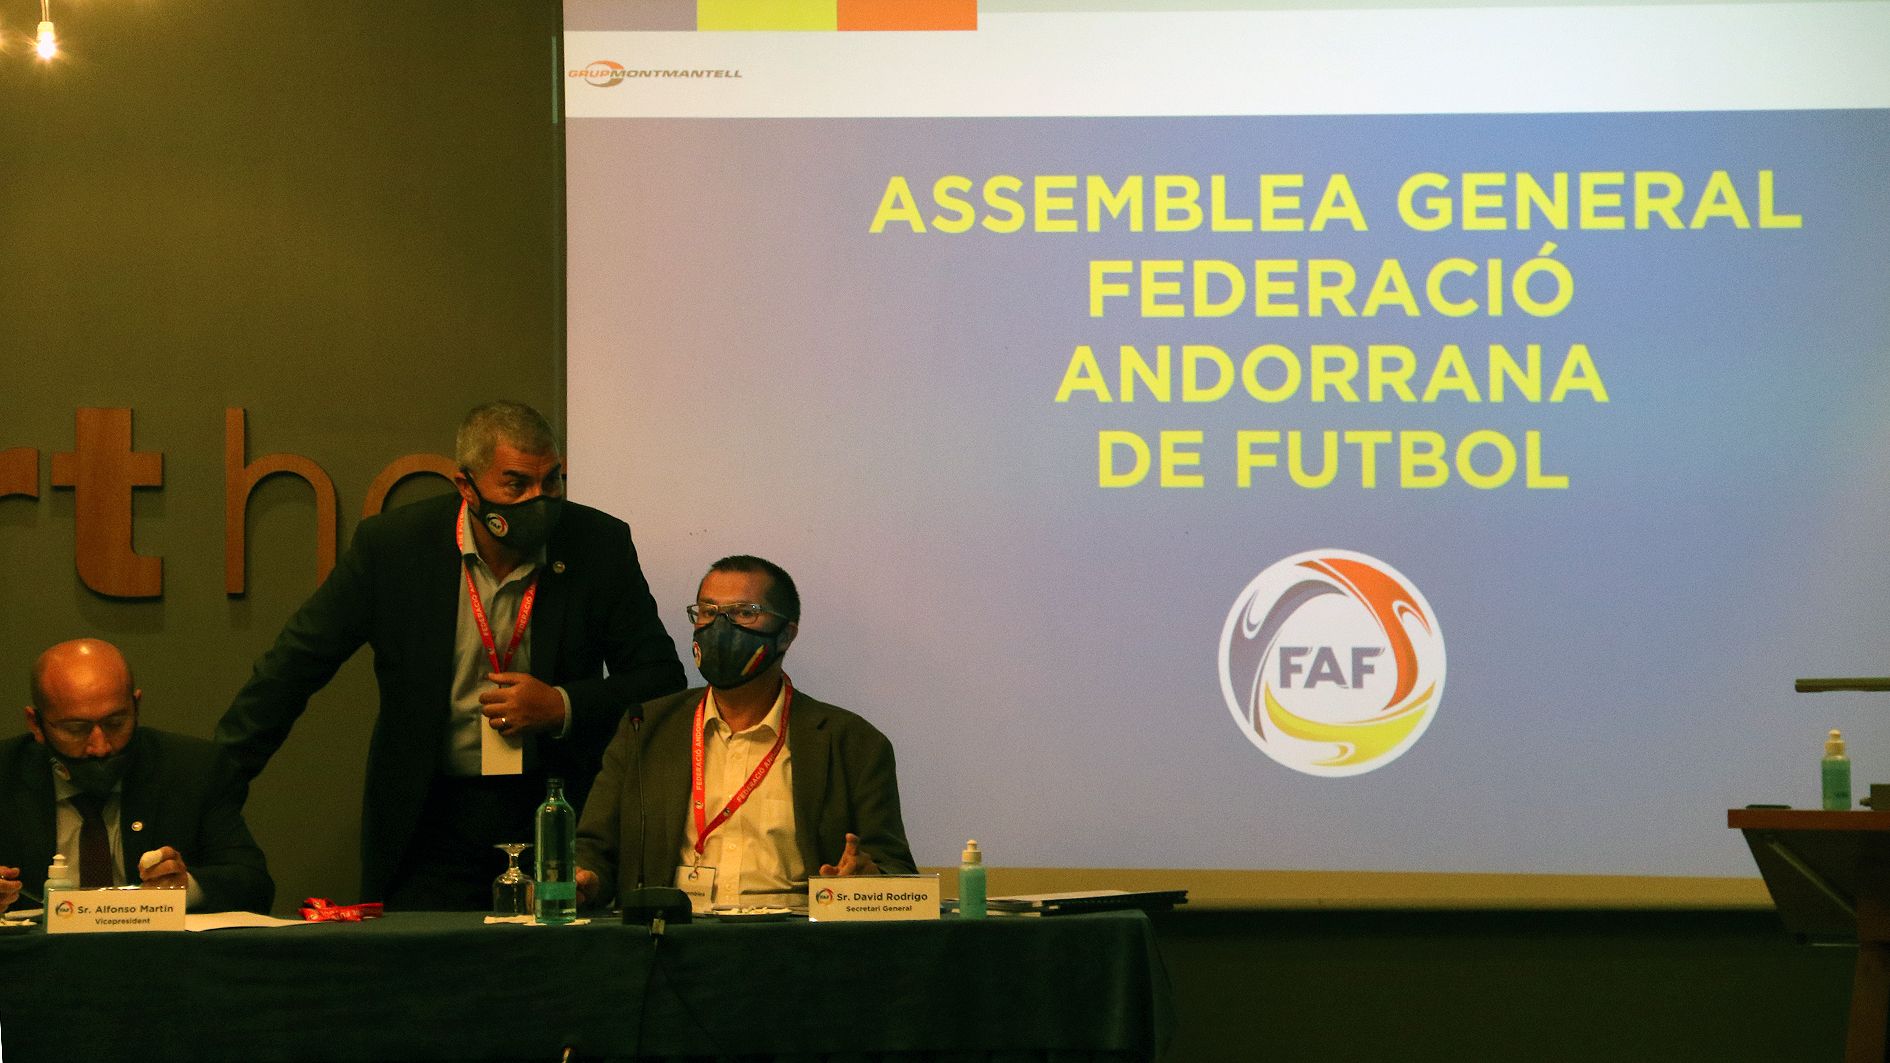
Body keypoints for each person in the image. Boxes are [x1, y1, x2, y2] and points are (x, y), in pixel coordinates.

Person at [215, 401, 686, 909]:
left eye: (551, 482)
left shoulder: (597, 544)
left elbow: (660, 678)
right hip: (428, 821)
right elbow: (293, 666)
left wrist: (561, 706)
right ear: (467, 487)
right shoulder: (394, 548)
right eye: (516, 485)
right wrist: (214, 785)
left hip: (555, 812)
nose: (539, 500)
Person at [576, 555, 914, 912]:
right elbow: (594, 850)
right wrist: (587, 879)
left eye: (744, 612)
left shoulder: (854, 743)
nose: (719, 626)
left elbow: (895, 870)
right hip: (674, 934)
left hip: (797, 935)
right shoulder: (644, 728)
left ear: (786, 635)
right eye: (708, 612)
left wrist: (868, 878)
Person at [0, 639, 272, 915]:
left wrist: (183, 887)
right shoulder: (5, 773)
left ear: (136, 706)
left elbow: (253, 885)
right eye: (76, 729)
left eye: (115, 723)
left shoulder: (192, 770)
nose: (100, 747)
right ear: (36, 723)